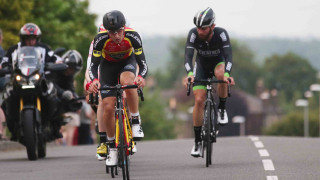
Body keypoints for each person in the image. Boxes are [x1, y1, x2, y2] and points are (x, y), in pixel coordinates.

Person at [88, 10, 148, 166]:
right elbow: (93, 66)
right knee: (107, 105)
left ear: (124, 27)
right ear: (107, 31)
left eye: (119, 31)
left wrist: (141, 76)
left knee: (128, 82)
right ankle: (112, 148)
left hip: (127, 62)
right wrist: (94, 80)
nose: (116, 36)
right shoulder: (100, 40)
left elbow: (143, 63)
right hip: (107, 67)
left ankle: (135, 120)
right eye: (112, 33)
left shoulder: (133, 36)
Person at [183, 7, 235, 157]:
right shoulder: (193, 34)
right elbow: (188, 56)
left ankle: (222, 109)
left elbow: (228, 55)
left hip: (218, 63)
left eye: (204, 28)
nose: (200, 31)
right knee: (199, 100)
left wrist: (227, 74)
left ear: (212, 26)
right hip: (201, 66)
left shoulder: (221, 34)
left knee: (220, 75)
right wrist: (190, 74)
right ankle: (197, 142)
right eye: (198, 27)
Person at [0, 23, 63, 139]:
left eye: (33, 38)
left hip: (40, 79)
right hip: (20, 80)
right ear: (23, 38)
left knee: (55, 95)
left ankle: (55, 126)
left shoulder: (44, 48)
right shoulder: (14, 49)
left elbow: (55, 58)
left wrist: (57, 63)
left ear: (37, 38)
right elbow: (4, 62)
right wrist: (3, 67)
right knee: (6, 98)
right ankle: (13, 127)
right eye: (28, 38)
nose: (31, 41)